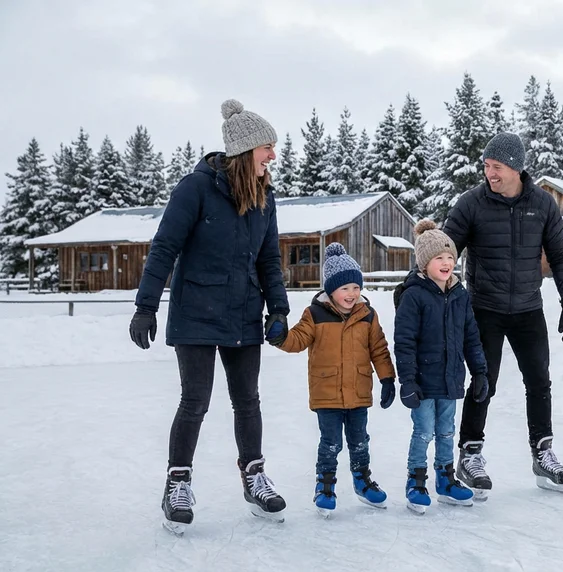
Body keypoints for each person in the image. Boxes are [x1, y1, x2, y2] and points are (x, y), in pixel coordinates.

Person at [129, 99, 290, 534]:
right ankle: (177, 482)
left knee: (248, 399)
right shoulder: (195, 189)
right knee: (195, 400)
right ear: (246, 150)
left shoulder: (264, 197)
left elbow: (269, 260)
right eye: (268, 147)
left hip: (242, 313)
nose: (273, 155)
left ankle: (254, 475)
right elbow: (164, 247)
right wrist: (145, 306)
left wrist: (278, 307)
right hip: (196, 312)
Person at [442, 132, 563, 496]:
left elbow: (561, 256)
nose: (490, 173)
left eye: (497, 167)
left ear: (516, 168)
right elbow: (442, 252)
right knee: (483, 382)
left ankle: (543, 452)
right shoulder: (471, 204)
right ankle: (470, 453)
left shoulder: (543, 205)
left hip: (528, 309)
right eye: (486, 166)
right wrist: (419, 289)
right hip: (483, 308)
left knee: (539, 381)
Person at [265, 243, 396, 517]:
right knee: (331, 442)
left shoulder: (368, 316)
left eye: (356, 287)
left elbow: (379, 349)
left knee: (360, 440)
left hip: (358, 391)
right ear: (330, 289)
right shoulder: (315, 314)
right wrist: (280, 337)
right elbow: (297, 340)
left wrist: (387, 379)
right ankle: (325, 486)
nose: (351, 294)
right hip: (327, 393)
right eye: (344, 288)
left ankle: (362, 481)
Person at [393, 220, 489, 513]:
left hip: (450, 379)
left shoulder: (460, 295)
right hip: (423, 381)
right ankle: (416, 480)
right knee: (423, 431)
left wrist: (480, 371)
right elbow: (404, 342)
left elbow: (471, 337)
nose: (447, 263)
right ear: (425, 263)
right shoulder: (414, 295)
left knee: (447, 431)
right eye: (439, 258)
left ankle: (446, 480)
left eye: (450, 257)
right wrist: (407, 381)